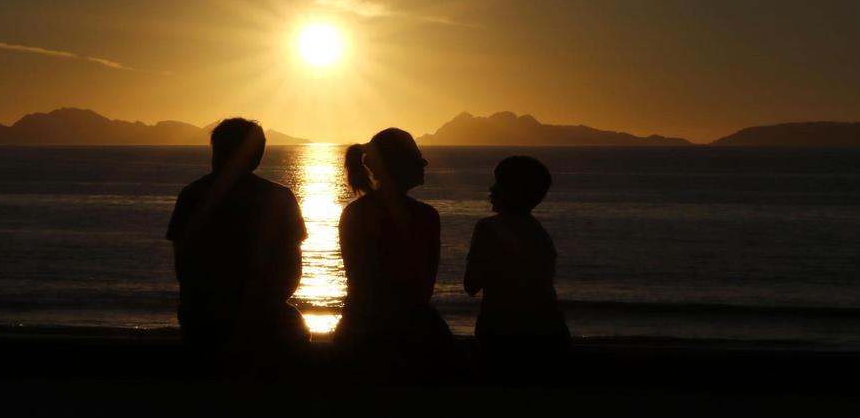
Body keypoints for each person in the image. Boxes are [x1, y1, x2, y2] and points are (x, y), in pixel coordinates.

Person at [166, 117, 309, 360]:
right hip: (263, 315)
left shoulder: (191, 195)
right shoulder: (280, 198)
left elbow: (184, 267)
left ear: (216, 150)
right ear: (257, 156)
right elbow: (291, 269)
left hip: (203, 317)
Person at [335, 128, 451, 370]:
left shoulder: (354, 212)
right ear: (400, 166)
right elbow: (423, 286)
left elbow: (358, 277)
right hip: (408, 330)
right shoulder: (424, 216)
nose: (425, 163)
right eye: (417, 158)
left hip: (359, 325)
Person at [464, 155, 570, 377]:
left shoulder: (488, 227)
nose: (491, 189)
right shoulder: (539, 232)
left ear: (515, 191)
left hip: (503, 332)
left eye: (499, 184)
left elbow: (471, 285)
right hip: (548, 332)